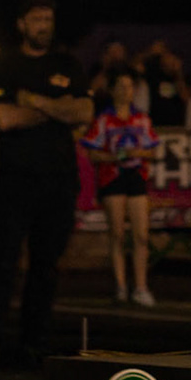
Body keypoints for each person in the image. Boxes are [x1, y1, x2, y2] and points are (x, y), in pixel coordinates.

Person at [0, 0, 93, 368]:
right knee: (3, 264)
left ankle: (34, 342)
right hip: (16, 180)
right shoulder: (6, 65)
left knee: (46, 266)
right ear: (22, 24)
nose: (45, 25)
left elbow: (85, 112)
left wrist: (36, 103)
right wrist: (58, 109)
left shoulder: (68, 63)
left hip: (59, 180)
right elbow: (4, 119)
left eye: (49, 18)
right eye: (37, 18)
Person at [80, 70, 160, 307]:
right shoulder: (104, 119)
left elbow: (153, 150)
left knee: (141, 235)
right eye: (122, 86)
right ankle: (121, 284)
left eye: (130, 86)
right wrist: (112, 157)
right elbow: (92, 151)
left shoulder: (142, 119)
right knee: (117, 233)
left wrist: (138, 153)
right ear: (113, 90)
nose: (127, 91)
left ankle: (141, 286)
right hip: (112, 178)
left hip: (135, 176)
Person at [136, 40, 191, 127]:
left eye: (174, 58)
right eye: (168, 57)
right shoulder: (153, 73)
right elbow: (135, 66)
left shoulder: (184, 77)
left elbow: (185, 97)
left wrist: (178, 74)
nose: (171, 61)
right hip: (156, 124)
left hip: (177, 126)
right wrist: (149, 52)